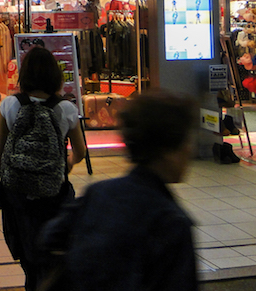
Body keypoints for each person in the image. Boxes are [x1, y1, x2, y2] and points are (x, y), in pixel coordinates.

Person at [39, 90, 198, 291]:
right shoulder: (171, 221)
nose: (190, 150)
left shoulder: (99, 193)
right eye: (186, 142)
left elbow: (50, 236)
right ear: (168, 150)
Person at [0, 46, 86, 291]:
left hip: (17, 192)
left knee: (26, 252)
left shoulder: (10, 105)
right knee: (52, 250)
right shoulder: (66, 108)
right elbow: (81, 151)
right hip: (54, 192)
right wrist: (67, 164)